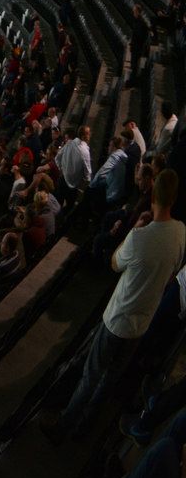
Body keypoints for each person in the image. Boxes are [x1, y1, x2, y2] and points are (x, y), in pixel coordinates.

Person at [50, 168, 184, 437]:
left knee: (92, 374)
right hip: (142, 321)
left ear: (153, 197)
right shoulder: (181, 231)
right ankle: (86, 424)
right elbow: (173, 273)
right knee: (110, 377)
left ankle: (65, 425)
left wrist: (133, 230)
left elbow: (114, 263)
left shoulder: (140, 237)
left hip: (118, 318)